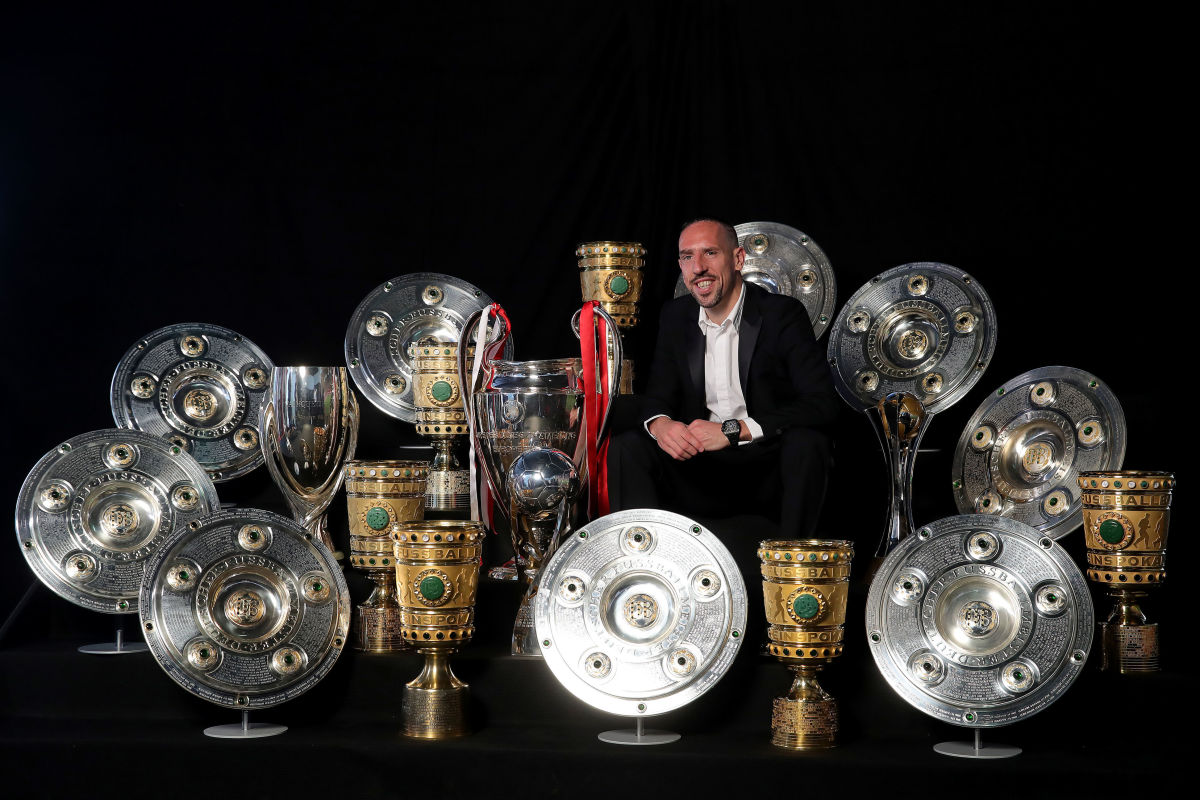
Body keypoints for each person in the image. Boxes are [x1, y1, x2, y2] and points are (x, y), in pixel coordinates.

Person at [606, 218, 839, 538]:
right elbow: (658, 396)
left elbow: (822, 404)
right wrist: (661, 425)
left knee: (808, 442)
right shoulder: (675, 316)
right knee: (627, 447)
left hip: (766, 468)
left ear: (738, 258)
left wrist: (732, 430)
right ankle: (643, 562)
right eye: (687, 257)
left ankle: (792, 570)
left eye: (710, 253)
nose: (698, 267)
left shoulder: (782, 314)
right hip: (699, 467)